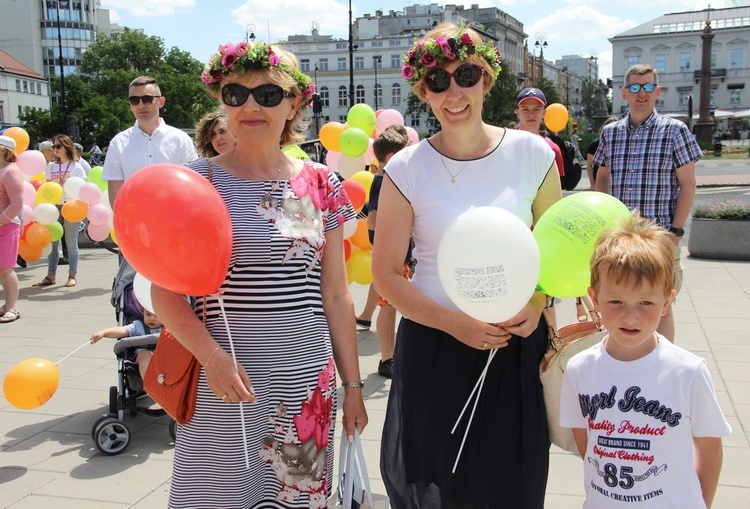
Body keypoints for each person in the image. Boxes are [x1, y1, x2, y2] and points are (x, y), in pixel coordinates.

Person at [151, 41, 368, 508]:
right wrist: (212, 358)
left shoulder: (318, 182)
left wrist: (353, 387)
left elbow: (335, 294)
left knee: (298, 498)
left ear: (294, 103)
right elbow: (164, 295)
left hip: (305, 382)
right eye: (236, 94)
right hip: (227, 383)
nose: (251, 106)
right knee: (218, 497)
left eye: (268, 94)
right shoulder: (197, 183)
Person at [374, 22, 562, 508]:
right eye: (437, 81)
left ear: (487, 79)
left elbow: (553, 252)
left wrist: (539, 300)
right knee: (438, 478)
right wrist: (453, 324)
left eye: (466, 75)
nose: (453, 91)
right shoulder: (405, 167)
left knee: (511, 479)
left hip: (513, 344)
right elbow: (386, 274)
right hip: (436, 343)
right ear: (422, 90)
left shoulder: (533, 153)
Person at [560, 212, 731, 508]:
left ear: (666, 303)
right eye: (616, 301)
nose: (631, 316)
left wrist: (701, 503)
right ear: (594, 297)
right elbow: (585, 439)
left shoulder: (687, 372)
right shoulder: (579, 369)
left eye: (645, 303)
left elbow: (709, 447)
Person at [594, 64, 702, 341]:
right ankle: (622, 360)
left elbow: (688, 183)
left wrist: (676, 232)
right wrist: (604, 218)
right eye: (634, 88)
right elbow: (602, 175)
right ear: (624, 93)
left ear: (657, 92)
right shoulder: (611, 133)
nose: (640, 94)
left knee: (660, 306)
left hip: (660, 236)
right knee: (618, 303)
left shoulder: (674, 130)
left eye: (647, 87)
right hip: (621, 238)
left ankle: (661, 364)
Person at [102, 75, 197, 209]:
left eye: (147, 99)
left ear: (161, 101)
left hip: (174, 220)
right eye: (134, 100)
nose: (141, 105)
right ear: (130, 104)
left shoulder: (181, 139)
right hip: (135, 224)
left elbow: (192, 186)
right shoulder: (118, 143)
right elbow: (115, 193)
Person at [367, 124, 411, 379]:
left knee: (392, 306)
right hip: (391, 256)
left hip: (398, 253)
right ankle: (387, 358)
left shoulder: (389, 179)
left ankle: (391, 356)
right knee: (388, 307)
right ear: (393, 158)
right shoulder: (382, 182)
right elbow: (372, 221)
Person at [33, 134, 86, 288]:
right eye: (53, 147)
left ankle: (72, 275)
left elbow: (82, 187)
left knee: (71, 242)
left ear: (66, 147)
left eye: (57, 146)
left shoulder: (76, 167)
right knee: (53, 241)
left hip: (71, 206)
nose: (54, 150)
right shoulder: (51, 167)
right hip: (53, 207)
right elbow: (47, 188)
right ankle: (51, 275)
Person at [90, 308, 163, 379]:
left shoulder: (169, 327)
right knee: (145, 355)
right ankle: (150, 381)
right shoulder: (138, 326)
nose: (152, 319)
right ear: (143, 311)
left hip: (163, 354)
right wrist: (103, 333)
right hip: (143, 353)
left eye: (157, 315)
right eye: (148, 314)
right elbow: (121, 330)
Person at [516, 86, 565, 178]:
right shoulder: (505, 146)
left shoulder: (553, 149)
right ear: (518, 113)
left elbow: (556, 189)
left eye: (536, 109)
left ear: (544, 113)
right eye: (525, 109)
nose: (531, 114)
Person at [0, 135, 23, 323]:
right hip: (3, 225)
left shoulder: (10, 171)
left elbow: (17, 203)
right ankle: (7, 305)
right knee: (2, 270)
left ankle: (13, 307)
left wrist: (1, 220)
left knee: (6, 269)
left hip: (7, 226)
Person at [585, 116, 618, 190]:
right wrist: (592, 184)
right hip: (600, 184)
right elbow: (589, 165)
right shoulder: (596, 143)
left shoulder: (621, 144)